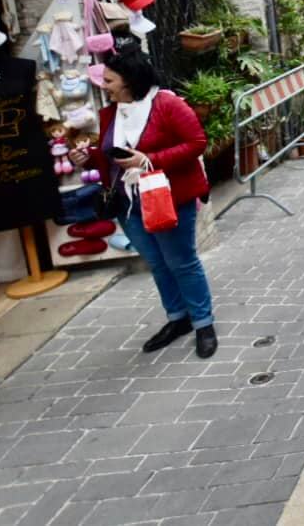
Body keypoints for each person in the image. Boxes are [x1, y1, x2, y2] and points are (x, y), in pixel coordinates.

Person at [78, 40, 218, 358]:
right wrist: (85, 158)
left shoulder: (167, 104)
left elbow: (196, 142)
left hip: (167, 197)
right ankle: (177, 319)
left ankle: (203, 323)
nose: (104, 85)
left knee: (181, 262)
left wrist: (149, 160)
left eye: (109, 80)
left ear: (129, 81)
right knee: (156, 263)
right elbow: (110, 157)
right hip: (128, 202)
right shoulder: (109, 114)